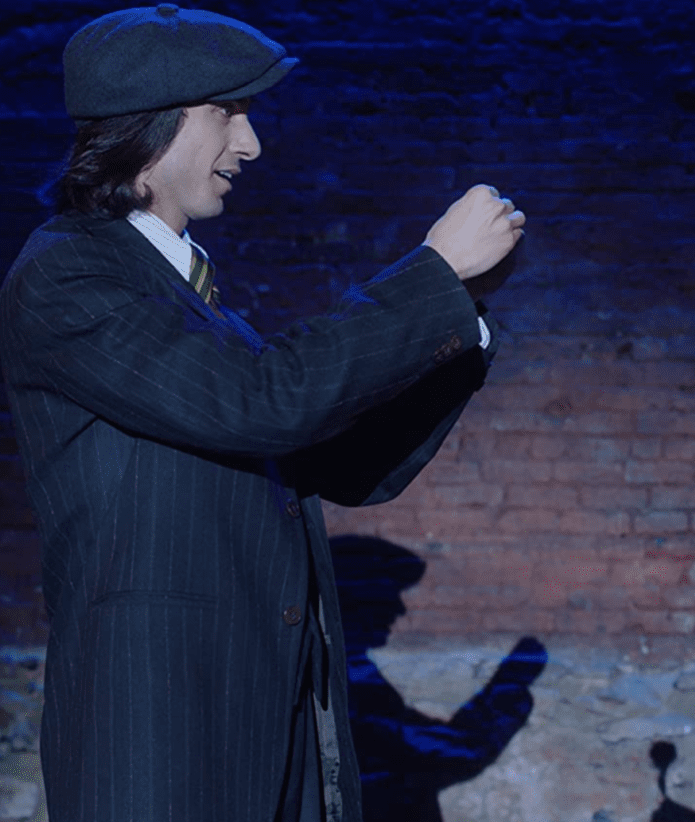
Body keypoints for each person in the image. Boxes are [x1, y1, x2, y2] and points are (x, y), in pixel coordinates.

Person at [0, 6, 524, 822]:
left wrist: (463, 315)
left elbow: (343, 463)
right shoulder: (68, 277)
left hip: (261, 716)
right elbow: (264, 403)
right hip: (160, 732)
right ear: (152, 122)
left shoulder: (188, 299)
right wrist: (430, 273)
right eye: (228, 112)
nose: (250, 144)